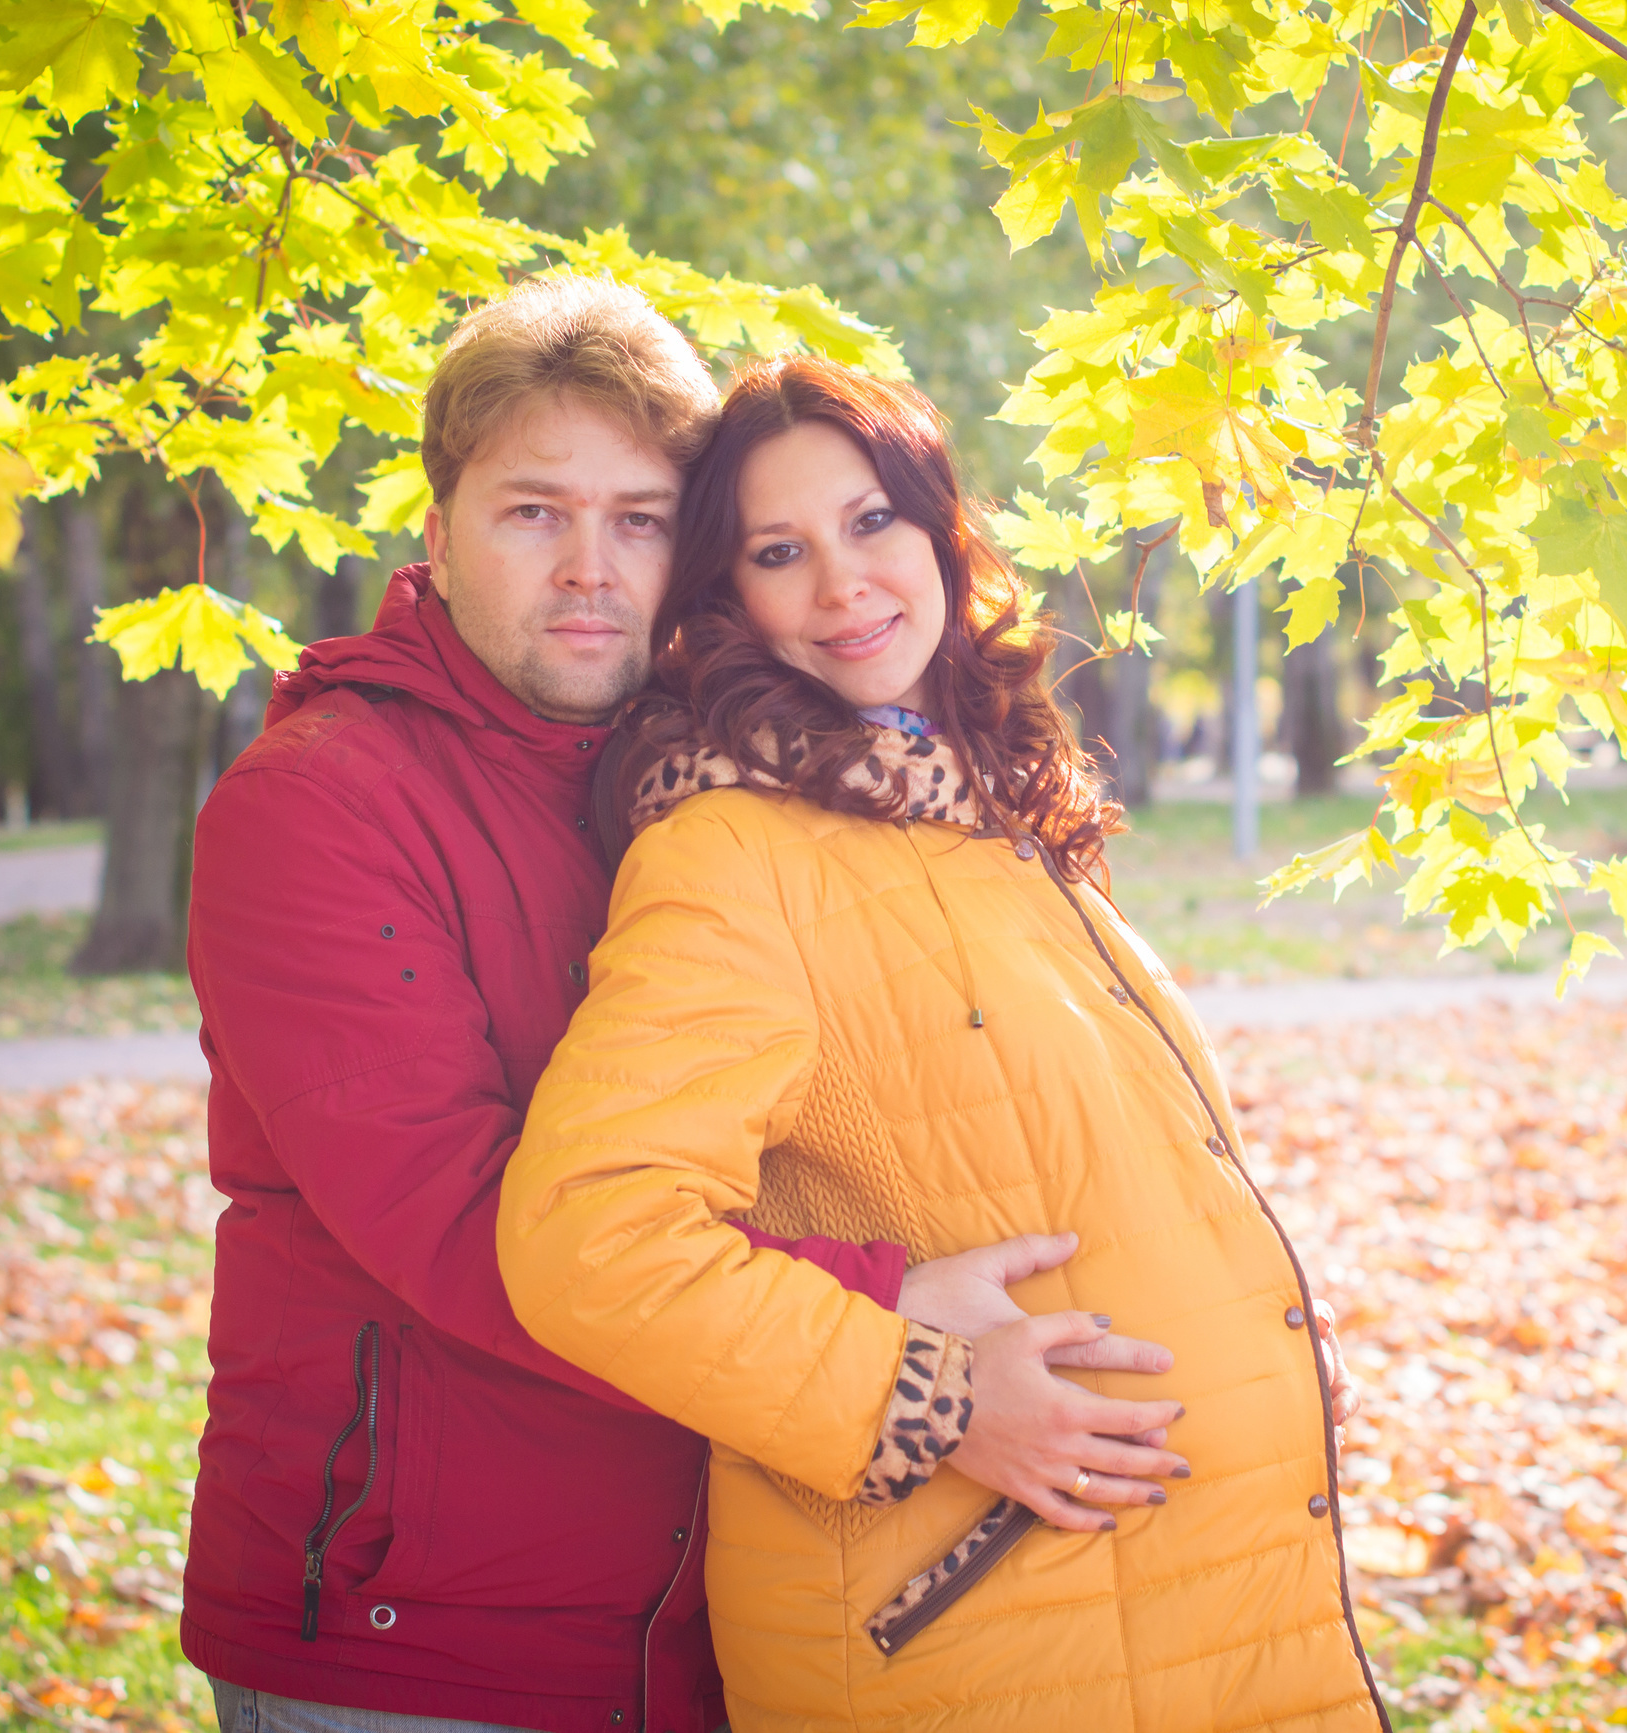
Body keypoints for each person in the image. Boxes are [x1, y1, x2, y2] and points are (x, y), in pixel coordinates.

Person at [182, 275, 1155, 1733]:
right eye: (534, 512)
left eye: (638, 519)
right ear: (438, 533)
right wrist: (901, 1333)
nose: (590, 567)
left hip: (723, 1611)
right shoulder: (321, 804)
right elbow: (473, 1230)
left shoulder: (710, 781)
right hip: (420, 1640)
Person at [496, 357, 1387, 1731]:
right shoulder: (733, 851)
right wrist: (931, 1396)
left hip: (1196, 1604)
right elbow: (586, 1235)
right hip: (994, 1636)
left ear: (938, 532)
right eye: (779, 553)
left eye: (870, 525)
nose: (842, 586)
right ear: (727, 602)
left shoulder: (983, 814)